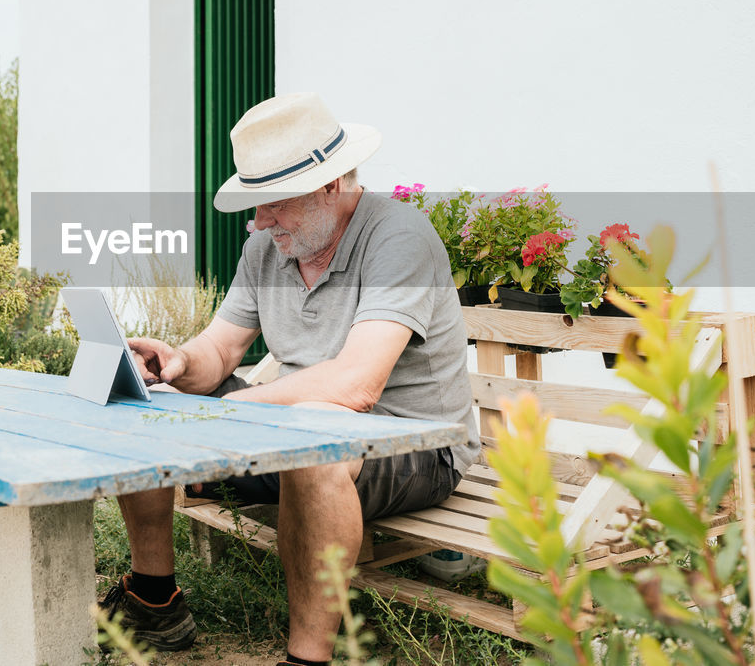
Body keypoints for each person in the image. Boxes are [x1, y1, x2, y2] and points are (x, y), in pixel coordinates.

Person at [102, 92, 481, 666]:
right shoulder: (266, 248)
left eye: (272, 202)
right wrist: (179, 363)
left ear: (330, 185)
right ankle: (155, 603)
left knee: (313, 443)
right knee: (152, 402)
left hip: (414, 444)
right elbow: (221, 349)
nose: (258, 221)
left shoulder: (399, 238)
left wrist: (226, 415)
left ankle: (308, 658)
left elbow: (357, 385)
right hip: (297, 420)